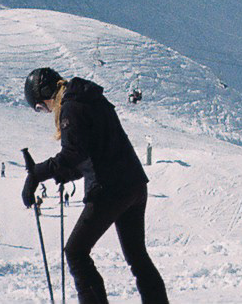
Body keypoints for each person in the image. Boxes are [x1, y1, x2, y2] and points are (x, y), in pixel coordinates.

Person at [22, 66, 169, 304]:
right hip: (133, 185)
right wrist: (61, 175)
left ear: (47, 92)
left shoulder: (70, 106)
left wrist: (37, 173)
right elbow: (91, 154)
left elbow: (74, 154)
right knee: (137, 257)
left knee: (75, 252)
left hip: (110, 189)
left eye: (41, 106)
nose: (46, 111)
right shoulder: (88, 97)